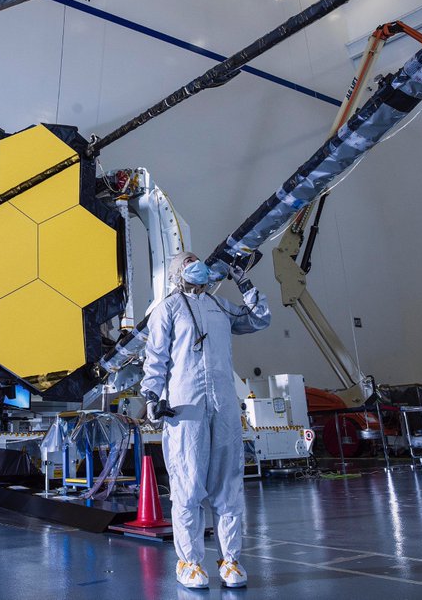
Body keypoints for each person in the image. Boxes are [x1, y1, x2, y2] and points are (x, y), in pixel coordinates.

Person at [141, 250, 271, 590]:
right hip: (186, 409)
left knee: (229, 485)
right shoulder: (166, 309)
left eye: (196, 260)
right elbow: (155, 357)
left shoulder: (219, 307)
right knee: (188, 486)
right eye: (187, 262)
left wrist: (244, 282)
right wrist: (152, 397)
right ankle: (190, 563)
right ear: (175, 274)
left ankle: (230, 560)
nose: (194, 265)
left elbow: (259, 319)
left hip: (224, 407)